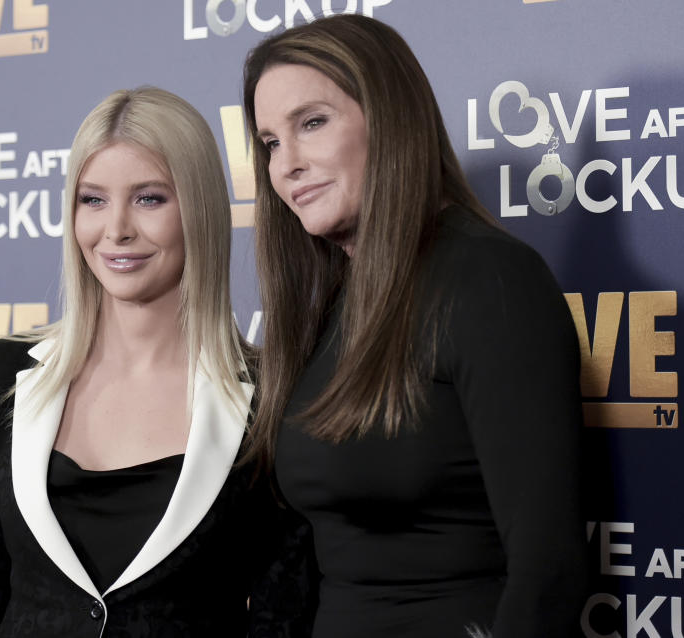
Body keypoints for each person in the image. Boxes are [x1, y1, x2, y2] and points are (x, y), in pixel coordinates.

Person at [241, 15, 587, 638]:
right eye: (269, 142)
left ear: (391, 120)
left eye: (311, 123)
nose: (287, 163)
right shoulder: (329, 307)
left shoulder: (491, 280)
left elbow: (548, 571)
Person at [0, 87, 315, 638]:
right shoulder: (3, 374)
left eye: (149, 198)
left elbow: (286, 616)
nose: (116, 230)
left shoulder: (272, 393)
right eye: (92, 200)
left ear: (200, 210)